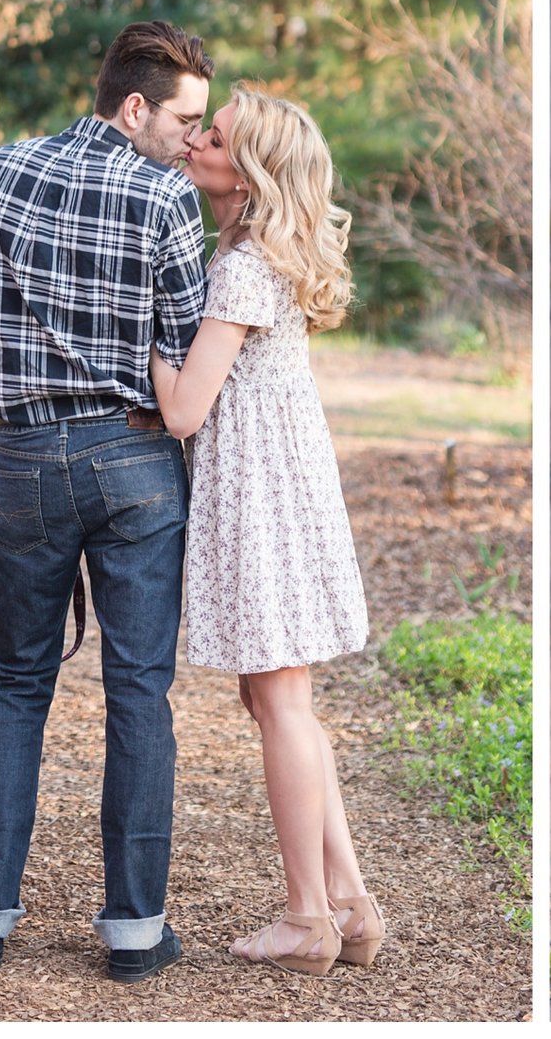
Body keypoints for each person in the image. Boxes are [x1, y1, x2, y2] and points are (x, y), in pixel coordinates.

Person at [0, 20, 213, 984]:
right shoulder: (166, 195)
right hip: (137, 458)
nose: (191, 139)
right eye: (184, 119)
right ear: (134, 107)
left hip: (20, 455)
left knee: (15, 683)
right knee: (140, 687)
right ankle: (135, 930)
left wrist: (25, 436)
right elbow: (185, 356)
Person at [148, 85, 374, 977]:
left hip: (261, 498)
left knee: (278, 702)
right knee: (281, 699)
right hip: (289, 487)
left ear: (246, 174)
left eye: (216, 135)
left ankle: (305, 915)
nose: (197, 139)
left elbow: (184, 409)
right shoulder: (263, 254)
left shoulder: (241, 268)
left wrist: (148, 349)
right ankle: (349, 903)